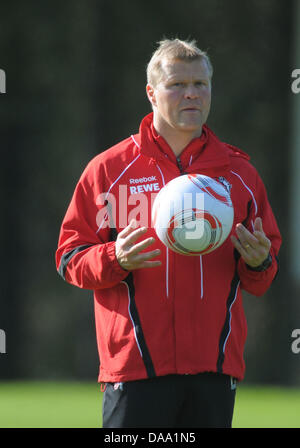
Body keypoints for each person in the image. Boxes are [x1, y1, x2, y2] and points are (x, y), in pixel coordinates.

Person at [55, 38, 282, 428]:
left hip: (214, 370)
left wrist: (260, 260)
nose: (191, 94)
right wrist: (114, 258)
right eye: (177, 85)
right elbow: (68, 257)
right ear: (151, 93)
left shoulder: (240, 175)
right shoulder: (110, 170)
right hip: (134, 370)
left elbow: (262, 275)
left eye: (201, 84)